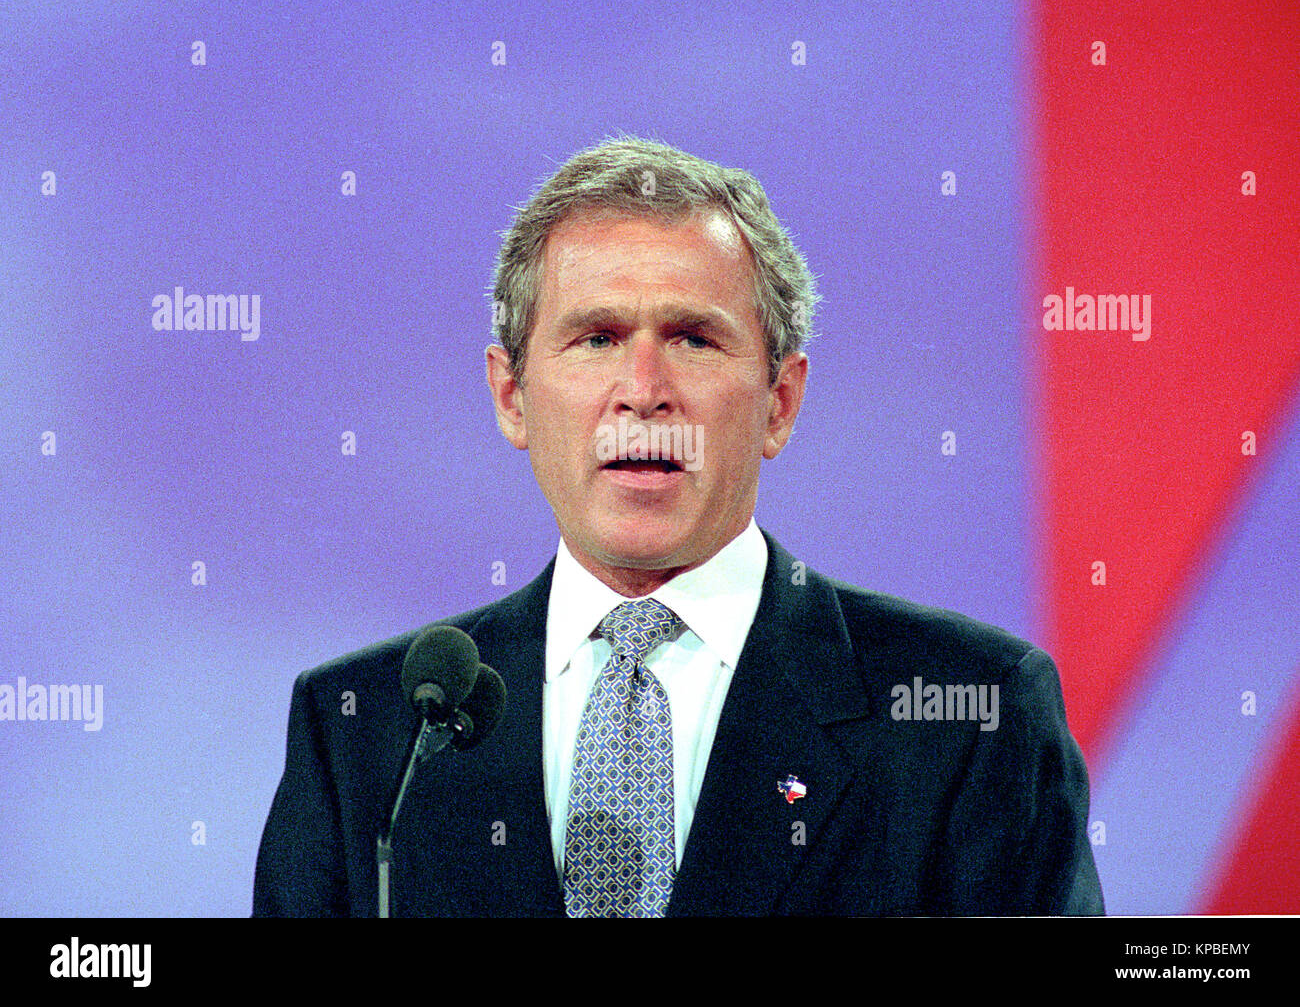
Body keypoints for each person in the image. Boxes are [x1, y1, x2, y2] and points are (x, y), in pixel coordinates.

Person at [253, 137, 1104, 917]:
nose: (644, 387)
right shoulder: (366, 735)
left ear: (780, 401)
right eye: (596, 337)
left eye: (695, 338)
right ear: (512, 396)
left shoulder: (970, 718)